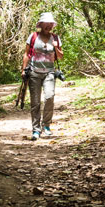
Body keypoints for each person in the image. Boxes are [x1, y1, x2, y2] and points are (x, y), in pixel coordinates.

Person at [20, 12, 63, 140]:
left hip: (49, 72)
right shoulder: (33, 36)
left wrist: (56, 48)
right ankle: (36, 129)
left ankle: (46, 125)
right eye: (46, 23)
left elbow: (60, 56)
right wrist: (23, 70)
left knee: (50, 97)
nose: (49, 26)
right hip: (34, 72)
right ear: (41, 24)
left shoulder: (55, 38)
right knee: (35, 102)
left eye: (51, 24)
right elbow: (27, 54)